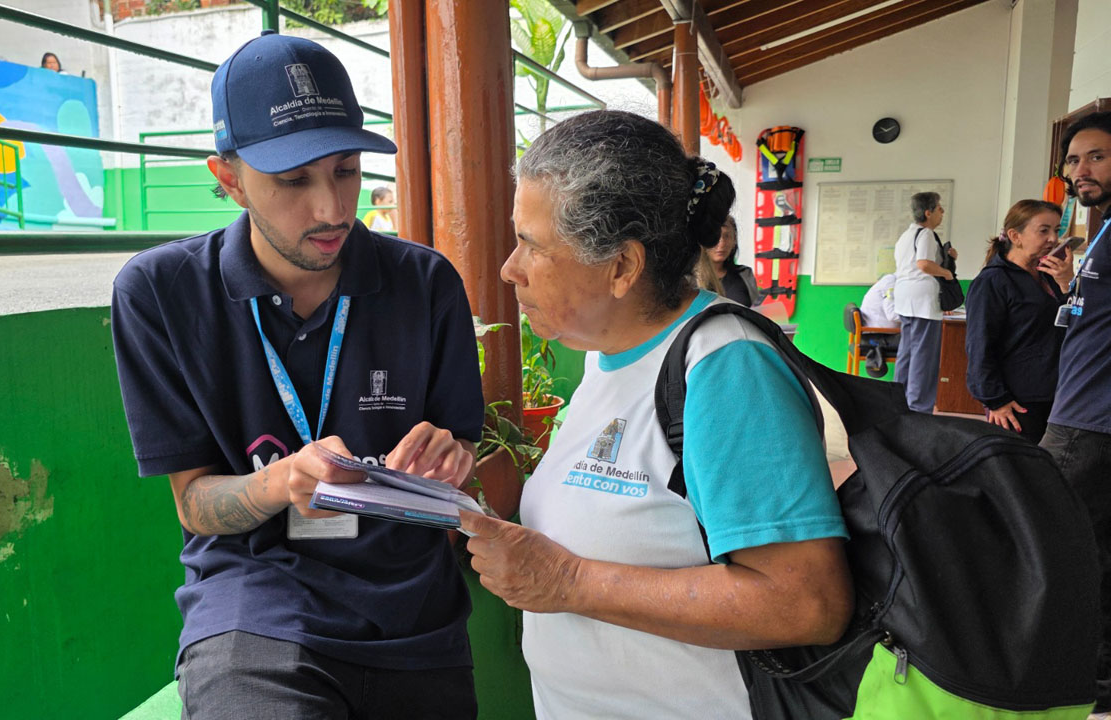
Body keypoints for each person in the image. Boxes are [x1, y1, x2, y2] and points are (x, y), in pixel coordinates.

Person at [110, 31, 483, 719]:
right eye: (293, 180)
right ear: (229, 179)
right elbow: (195, 505)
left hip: (415, 612)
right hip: (257, 605)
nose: (333, 209)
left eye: (346, 170)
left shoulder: (426, 283)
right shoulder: (160, 293)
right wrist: (285, 481)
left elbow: (462, 445)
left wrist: (450, 457)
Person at [460, 110, 851, 719]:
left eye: (532, 245)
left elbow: (806, 603)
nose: (511, 269)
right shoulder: (606, 355)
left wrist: (568, 582)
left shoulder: (724, 366)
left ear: (621, 266)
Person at [1042, 110, 1111, 715]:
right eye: (1073, 159)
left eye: (1097, 157)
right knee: (1093, 548)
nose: (1080, 169)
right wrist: (1072, 285)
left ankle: (1061, 672)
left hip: (1089, 422)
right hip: (1079, 411)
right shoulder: (1103, 229)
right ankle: (1095, 675)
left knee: (1046, 537)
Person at [964, 200, 1073, 443]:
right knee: (1022, 463)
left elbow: (1072, 322)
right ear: (1015, 236)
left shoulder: (1049, 276)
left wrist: (1067, 284)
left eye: (1056, 230)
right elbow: (979, 346)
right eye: (1043, 230)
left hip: (1055, 392)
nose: (1053, 239)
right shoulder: (993, 281)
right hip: (1016, 399)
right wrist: (996, 400)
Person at [893, 191, 956, 413]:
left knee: (907, 352)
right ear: (928, 213)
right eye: (939, 208)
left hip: (904, 298)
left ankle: (899, 402)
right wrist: (947, 273)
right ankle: (919, 408)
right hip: (923, 301)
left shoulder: (906, 235)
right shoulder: (927, 234)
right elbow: (924, 264)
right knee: (924, 356)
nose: (942, 212)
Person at [704, 215, 760, 307]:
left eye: (727, 236)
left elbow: (757, 310)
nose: (722, 243)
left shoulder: (745, 274)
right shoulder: (690, 280)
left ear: (734, 241)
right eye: (715, 236)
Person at [858, 273, 901, 377]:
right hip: (878, 335)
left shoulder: (890, 280)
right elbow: (892, 315)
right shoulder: (891, 283)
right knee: (920, 340)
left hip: (875, 332)